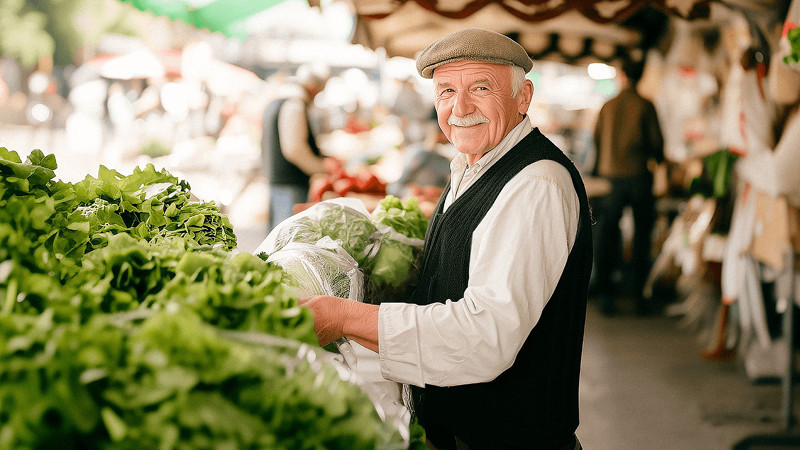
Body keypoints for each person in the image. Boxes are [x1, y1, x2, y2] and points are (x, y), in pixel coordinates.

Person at [299, 28, 592, 450]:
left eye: (481, 88)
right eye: (446, 91)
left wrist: (343, 317)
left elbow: (485, 336)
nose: (461, 107)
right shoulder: (473, 165)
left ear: (523, 97)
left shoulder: (536, 184)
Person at [592, 57, 665, 316]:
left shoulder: (608, 106)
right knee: (642, 237)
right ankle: (638, 297)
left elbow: (597, 140)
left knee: (607, 235)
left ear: (622, 75)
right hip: (638, 177)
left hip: (610, 178)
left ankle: (605, 294)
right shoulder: (645, 105)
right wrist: (658, 162)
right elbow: (657, 144)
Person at [261, 62, 334, 232]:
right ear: (313, 88)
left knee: (278, 234)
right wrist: (322, 167)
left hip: (277, 180)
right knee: (288, 235)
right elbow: (294, 150)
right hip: (290, 183)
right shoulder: (294, 104)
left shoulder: (277, 100)